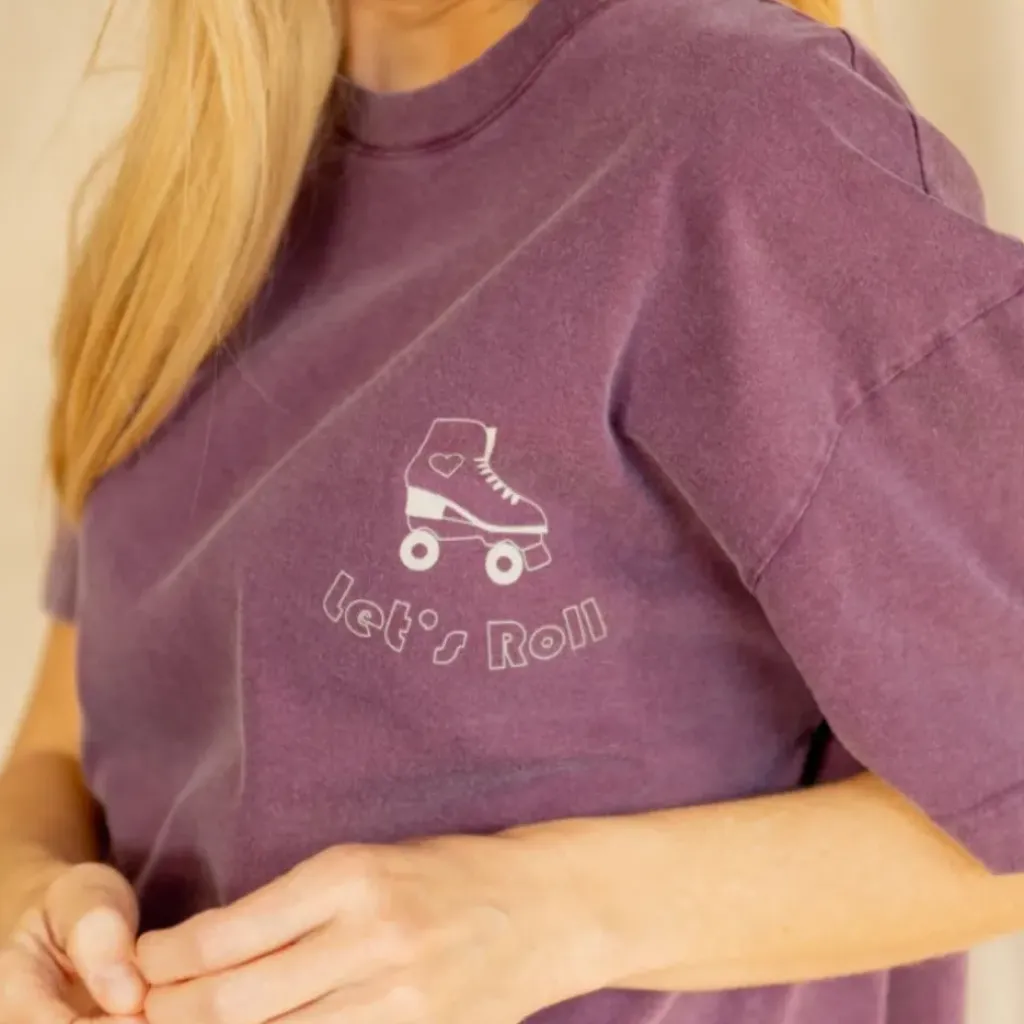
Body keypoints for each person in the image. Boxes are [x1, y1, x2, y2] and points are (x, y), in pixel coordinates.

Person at [3, 0, 1024, 1021]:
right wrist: (29, 899)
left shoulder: (746, 132)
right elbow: (62, 742)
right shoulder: (192, 204)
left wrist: (548, 910)